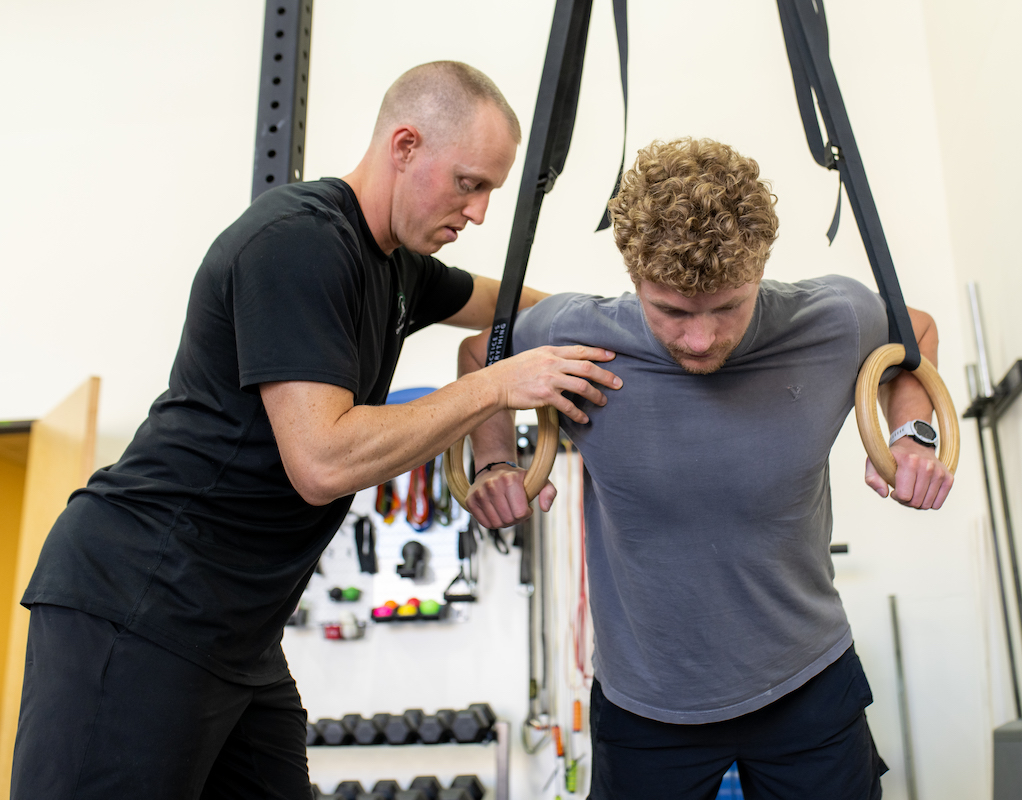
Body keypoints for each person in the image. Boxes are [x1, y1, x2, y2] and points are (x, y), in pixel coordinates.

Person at [13, 61, 620, 798]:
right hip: (143, 601)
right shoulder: (299, 243)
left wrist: (633, 340)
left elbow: (515, 310)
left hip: (239, 629)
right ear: (404, 146)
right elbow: (323, 460)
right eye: (469, 183)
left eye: (491, 188)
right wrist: (493, 384)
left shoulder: (401, 266)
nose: (482, 211)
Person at [462, 137, 954, 799]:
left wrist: (913, 434)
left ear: (760, 270)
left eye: (727, 307)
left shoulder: (830, 319)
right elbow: (477, 358)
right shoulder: (576, 338)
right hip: (646, 705)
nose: (700, 338)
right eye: (671, 312)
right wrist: (494, 460)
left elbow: (913, 335)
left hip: (806, 680)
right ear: (634, 280)